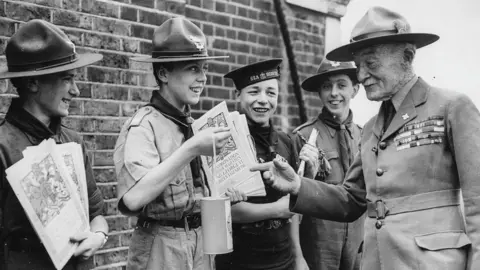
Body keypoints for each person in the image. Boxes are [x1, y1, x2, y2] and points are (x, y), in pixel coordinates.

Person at [251, 6, 480, 270]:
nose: (360, 75)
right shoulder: (372, 128)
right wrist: (297, 186)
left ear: (407, 57)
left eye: (370, 64)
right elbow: (353, 199)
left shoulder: (451, 107)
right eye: (359, 66)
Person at [113, 17, 246, 270]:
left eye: (204, 69)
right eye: (193, 69)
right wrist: (193, 148)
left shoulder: (191, 123)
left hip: (200, 241)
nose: (203, 78)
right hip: (162, 244)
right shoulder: (144, 125)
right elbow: (133, 199)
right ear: (163, 73)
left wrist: (226, 195)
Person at [0, 19, 109, 269]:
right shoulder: (2, 147)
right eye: (67, 79)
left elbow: (98, 215)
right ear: (33, 83)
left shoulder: (74, 141)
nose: (77, 91)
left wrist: (98, 237)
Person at [215, 59, 319, 270]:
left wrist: (298, 257)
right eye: (254, 92)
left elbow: (291, 210)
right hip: (238, 262)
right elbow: (222, 211)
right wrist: (277, 209)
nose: (263, 100)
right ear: (238, 95)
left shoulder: (285, 142)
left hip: (282, 260)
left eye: (271, 93)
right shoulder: (222, 142)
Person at [292, 59, 364, 270]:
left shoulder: (366, 136)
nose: (334, 93)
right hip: (319, 244)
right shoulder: (304, 136)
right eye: (326, 86)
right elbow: (292, 205)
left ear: (355, 89)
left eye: (341, 85)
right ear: (319, 93)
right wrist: (298, 257)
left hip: (358, 243)